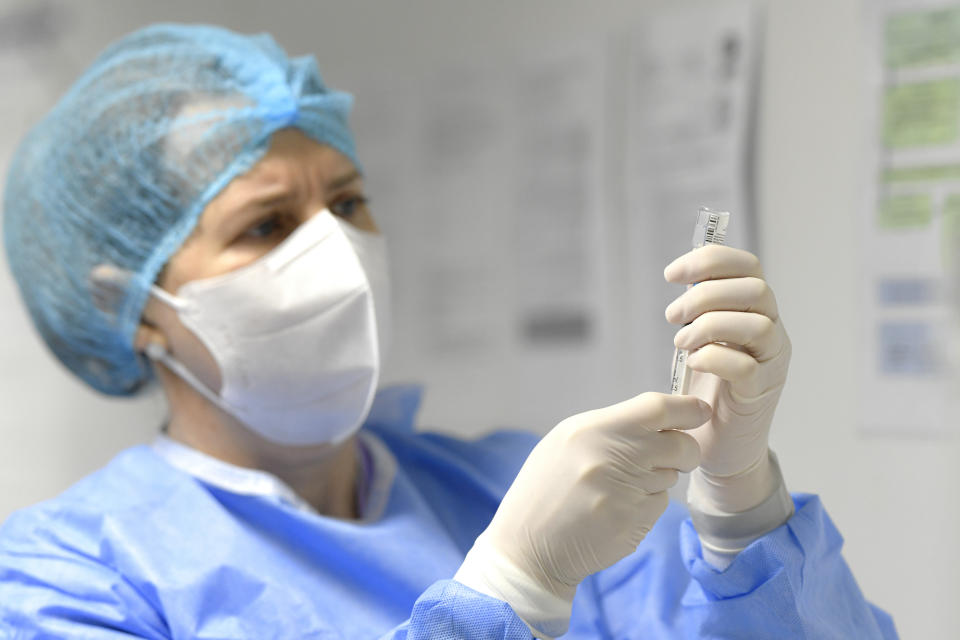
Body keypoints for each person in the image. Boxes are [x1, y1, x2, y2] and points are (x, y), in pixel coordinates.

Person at [0, 23, 896, 639]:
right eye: (266, 226)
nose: (337, 253)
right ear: (136, 304)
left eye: (349, 203)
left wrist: (738, 502)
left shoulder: (513, 485)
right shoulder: (68, 579)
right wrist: (507, 591)